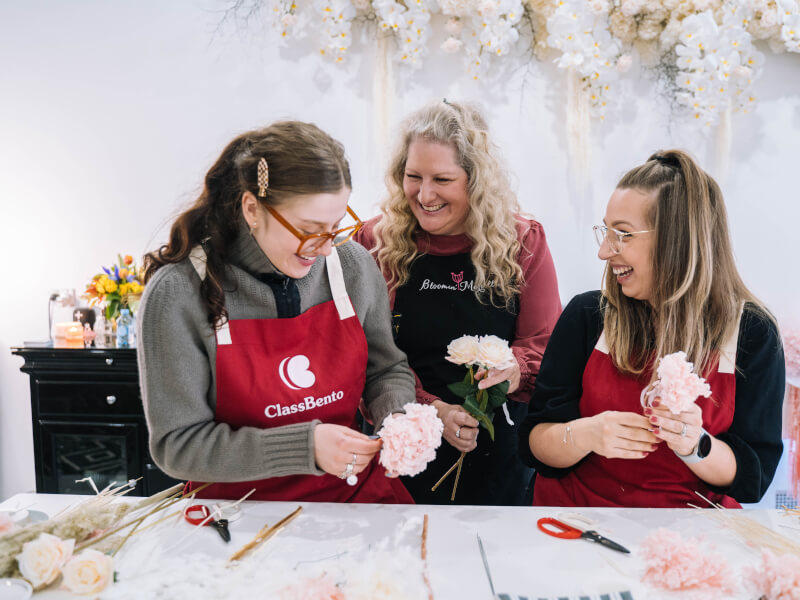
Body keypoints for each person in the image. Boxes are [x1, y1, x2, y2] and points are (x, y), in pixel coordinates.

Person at [138, 121, 415, 503]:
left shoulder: (350, 267)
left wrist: (396, 417)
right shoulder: (180, 293)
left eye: (334, 227)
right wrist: (306, 447)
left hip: (355, 500)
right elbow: (177, 445)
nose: (323, 248)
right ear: (253, 208)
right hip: (238, 515)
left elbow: (386, 370)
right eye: (308, 229)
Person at [519, 149, 785, 508]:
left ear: (677, 241)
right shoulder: (588, 315)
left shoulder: (752, 333)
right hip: (576, 523)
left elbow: (753, 479)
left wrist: (695, 445)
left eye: (624, 235)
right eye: (606, 231)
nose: (604, 252)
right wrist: (585, 435)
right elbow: (535, 442)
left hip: (689, 532)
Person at [354, 101, 562, 505]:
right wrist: (430, 411)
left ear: (476, 180)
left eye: (442, 179)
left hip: (496, 449)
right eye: (413, 177)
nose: (424, 194)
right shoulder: (374, 243)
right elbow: (364, 357)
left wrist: (513, 371)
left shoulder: (522, 241)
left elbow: (542, 342)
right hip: (399, 444)